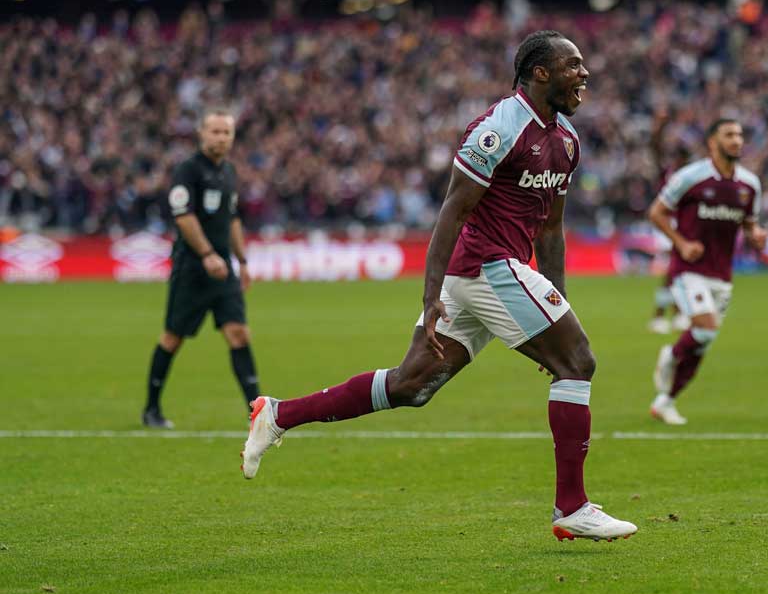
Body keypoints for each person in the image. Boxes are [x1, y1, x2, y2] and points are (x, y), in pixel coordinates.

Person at [239, 31, 638, 542]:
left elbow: (551, 227)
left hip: (497, 271)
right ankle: (572, 506)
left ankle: (277, 414)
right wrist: (429, 299)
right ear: (541, 72)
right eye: (573, 65)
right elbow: (453, 209)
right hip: (483, 266)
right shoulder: (499, 127)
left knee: (411, 385)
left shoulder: (566, 139)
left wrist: (556, 301)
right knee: (578, 363)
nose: (584, 74)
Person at [143, 107, 258, 428]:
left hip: (224, 271)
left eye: (226, 132)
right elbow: (184, 217)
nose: (221, 137)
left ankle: (258, 412)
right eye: (215, 131)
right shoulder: (187, 171)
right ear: (201, 134)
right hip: (193, 268)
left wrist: (243, 261)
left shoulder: (229, 172)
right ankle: (151, 409)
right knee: (172, 337)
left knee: (238, 333)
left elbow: (232, 219)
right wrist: (207, 254)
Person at [646, 119, 767, 425]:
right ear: (712, 142)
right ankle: (671, 356)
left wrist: (756, 235)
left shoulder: (749, 185)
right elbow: (656, 212)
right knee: (704, 328)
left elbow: (749, 223)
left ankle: (666, 401)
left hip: (722, 275)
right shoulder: (690, 177)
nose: (737, 140)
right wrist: (682, 244)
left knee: (704, 340)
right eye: (729, 135)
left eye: (740, 134)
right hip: (689, 270)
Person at [646, 112, 691, 335]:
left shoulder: (688, 177)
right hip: (668, 226)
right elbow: (654, 149)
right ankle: (660, 315)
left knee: (678, 272)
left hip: (681, 226)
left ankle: (677, 313)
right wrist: (659, 127)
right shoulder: (671, 174)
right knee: (674, 271)